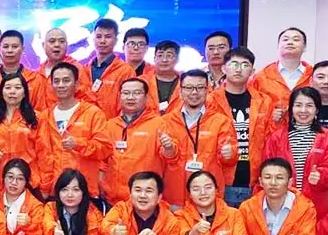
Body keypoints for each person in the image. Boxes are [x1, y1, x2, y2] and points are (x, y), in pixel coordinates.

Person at [207, 46, 281, 207]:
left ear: (252, 71)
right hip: (220, 178)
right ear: (224, 68)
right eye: (234, 64)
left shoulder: (264, 101)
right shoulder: (210, 101)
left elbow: (271, 139)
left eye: (245, 64)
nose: (239, 69)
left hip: (254, 180)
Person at [158, 70, 237, 207]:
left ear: (207, 90)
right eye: (189, 88)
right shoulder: (166, 121)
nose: (194, 92)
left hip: (207, 197)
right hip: (174, 196)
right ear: (180, 91)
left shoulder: (221, 122)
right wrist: (169, 149)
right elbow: (162, 158)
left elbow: (228, 161)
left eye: (200, 88)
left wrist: (230, 154)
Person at [262, 87, 328, 218]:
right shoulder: (276, 137)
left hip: (316, 202)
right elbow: (266, 168)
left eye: (309, 106)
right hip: (282, 202)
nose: (303, 110)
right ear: (291, 109)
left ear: (317, 109)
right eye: (298, 105)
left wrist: (321, 176)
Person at [0, 72, 57, 196]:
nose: (12, 92)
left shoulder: (37, 118)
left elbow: (44, 153)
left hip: (29, 182)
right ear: (1, 92)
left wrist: (45, 186)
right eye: (8, 88)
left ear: (25, 92)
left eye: (17, 87)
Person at [100, 78, 170, 209]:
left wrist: (169, 148)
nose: (130, 97)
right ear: (119, 96)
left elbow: (169, 157)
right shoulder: (110, 125)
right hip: (112, 201)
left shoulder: (158, 124)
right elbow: (102, 161)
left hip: (144, 200)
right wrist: (101, 185)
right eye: (126, 93)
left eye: (137, 93)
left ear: (146, 97)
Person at [46, 62, 111, 191]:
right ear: (52, 85)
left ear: (76, 85)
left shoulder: (93, 113)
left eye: (66, 80)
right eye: (56, 81)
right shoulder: (45, 116)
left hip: (83, 188)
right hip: (55, 189)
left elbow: (105, 149)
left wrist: (78, 144)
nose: (61, 85)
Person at [0, 29, 49, 114]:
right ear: (0, 49)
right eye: (6, 47)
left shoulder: (35, 79)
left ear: (22, 49)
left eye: (15, 46)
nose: (10, 50)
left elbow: (41, 113)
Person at [102, 171, 185, 235]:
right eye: (138, 190)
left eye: (148, 191)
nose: (142, 195)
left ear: (159, 197)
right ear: (130, 194)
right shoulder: (121, 210)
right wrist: (113, 231)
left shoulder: (170, 221)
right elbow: (104, 226)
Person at [79, 19, 137, 118]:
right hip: (85, 125)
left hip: (111, 125)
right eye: (98, 36)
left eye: (108, 37)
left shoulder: (126, 71)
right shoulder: (82, 70)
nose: (102, 41)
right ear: (93, 39)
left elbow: (129, 107)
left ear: (116, 40)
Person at [176, 171, 248, 235]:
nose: (203, 192)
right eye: (196, 189)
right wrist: (193, 233)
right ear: (189, 194)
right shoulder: (181, 216)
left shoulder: (234, 214)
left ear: (216, 190)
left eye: (208, 187)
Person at [250, 27, 313, 105]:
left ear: (304, 47)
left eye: (296, 40)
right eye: (285, 40)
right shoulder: (261, 77)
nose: (290, 42)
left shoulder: (314, 76)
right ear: (278, 46)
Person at [41, 169, 102, 235]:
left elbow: (98, 234)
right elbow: (47, 223)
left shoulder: (93, 212)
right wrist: (54, 231)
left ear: (83, 192)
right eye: (64, 190)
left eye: (76, 190)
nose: (70, 195)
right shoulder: (51, 208)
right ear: (58, 192)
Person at [0, 159, 44, 235]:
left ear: (26, 182)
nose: (14, 182)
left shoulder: (36, 207)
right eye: (10, 177)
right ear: (3, 178)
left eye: (20, 179)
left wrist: (29, 225)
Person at [144, 40, 181, 114]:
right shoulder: (142, 82)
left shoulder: (187, 82)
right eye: (160, 55)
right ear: (154, 59)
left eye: (169, 56)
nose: (164, 60)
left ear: (177, 59)